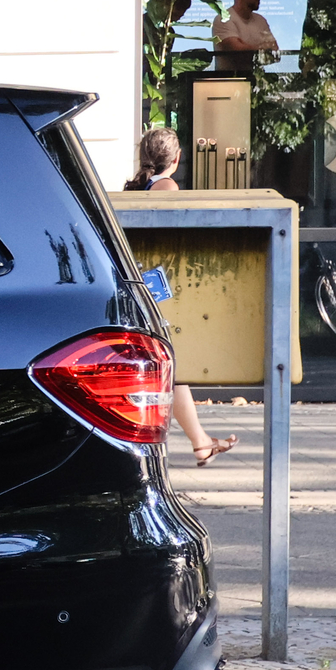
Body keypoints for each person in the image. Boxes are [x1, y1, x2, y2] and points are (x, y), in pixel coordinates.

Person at [122, 127, 239, 464]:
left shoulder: (135, 186)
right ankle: (196, 441)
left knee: (170, 364)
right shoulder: (167, 187)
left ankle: (200, 440)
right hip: (163, 285)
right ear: (177, 158)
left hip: (144, 280)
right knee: (171, 364)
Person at [210, 0, 276, 77]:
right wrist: (263, 48)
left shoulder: (261, 20)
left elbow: (275, 53)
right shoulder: (223, 19)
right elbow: (238, 53)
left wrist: (249, 48)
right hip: (230, 84)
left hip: (256, 85)